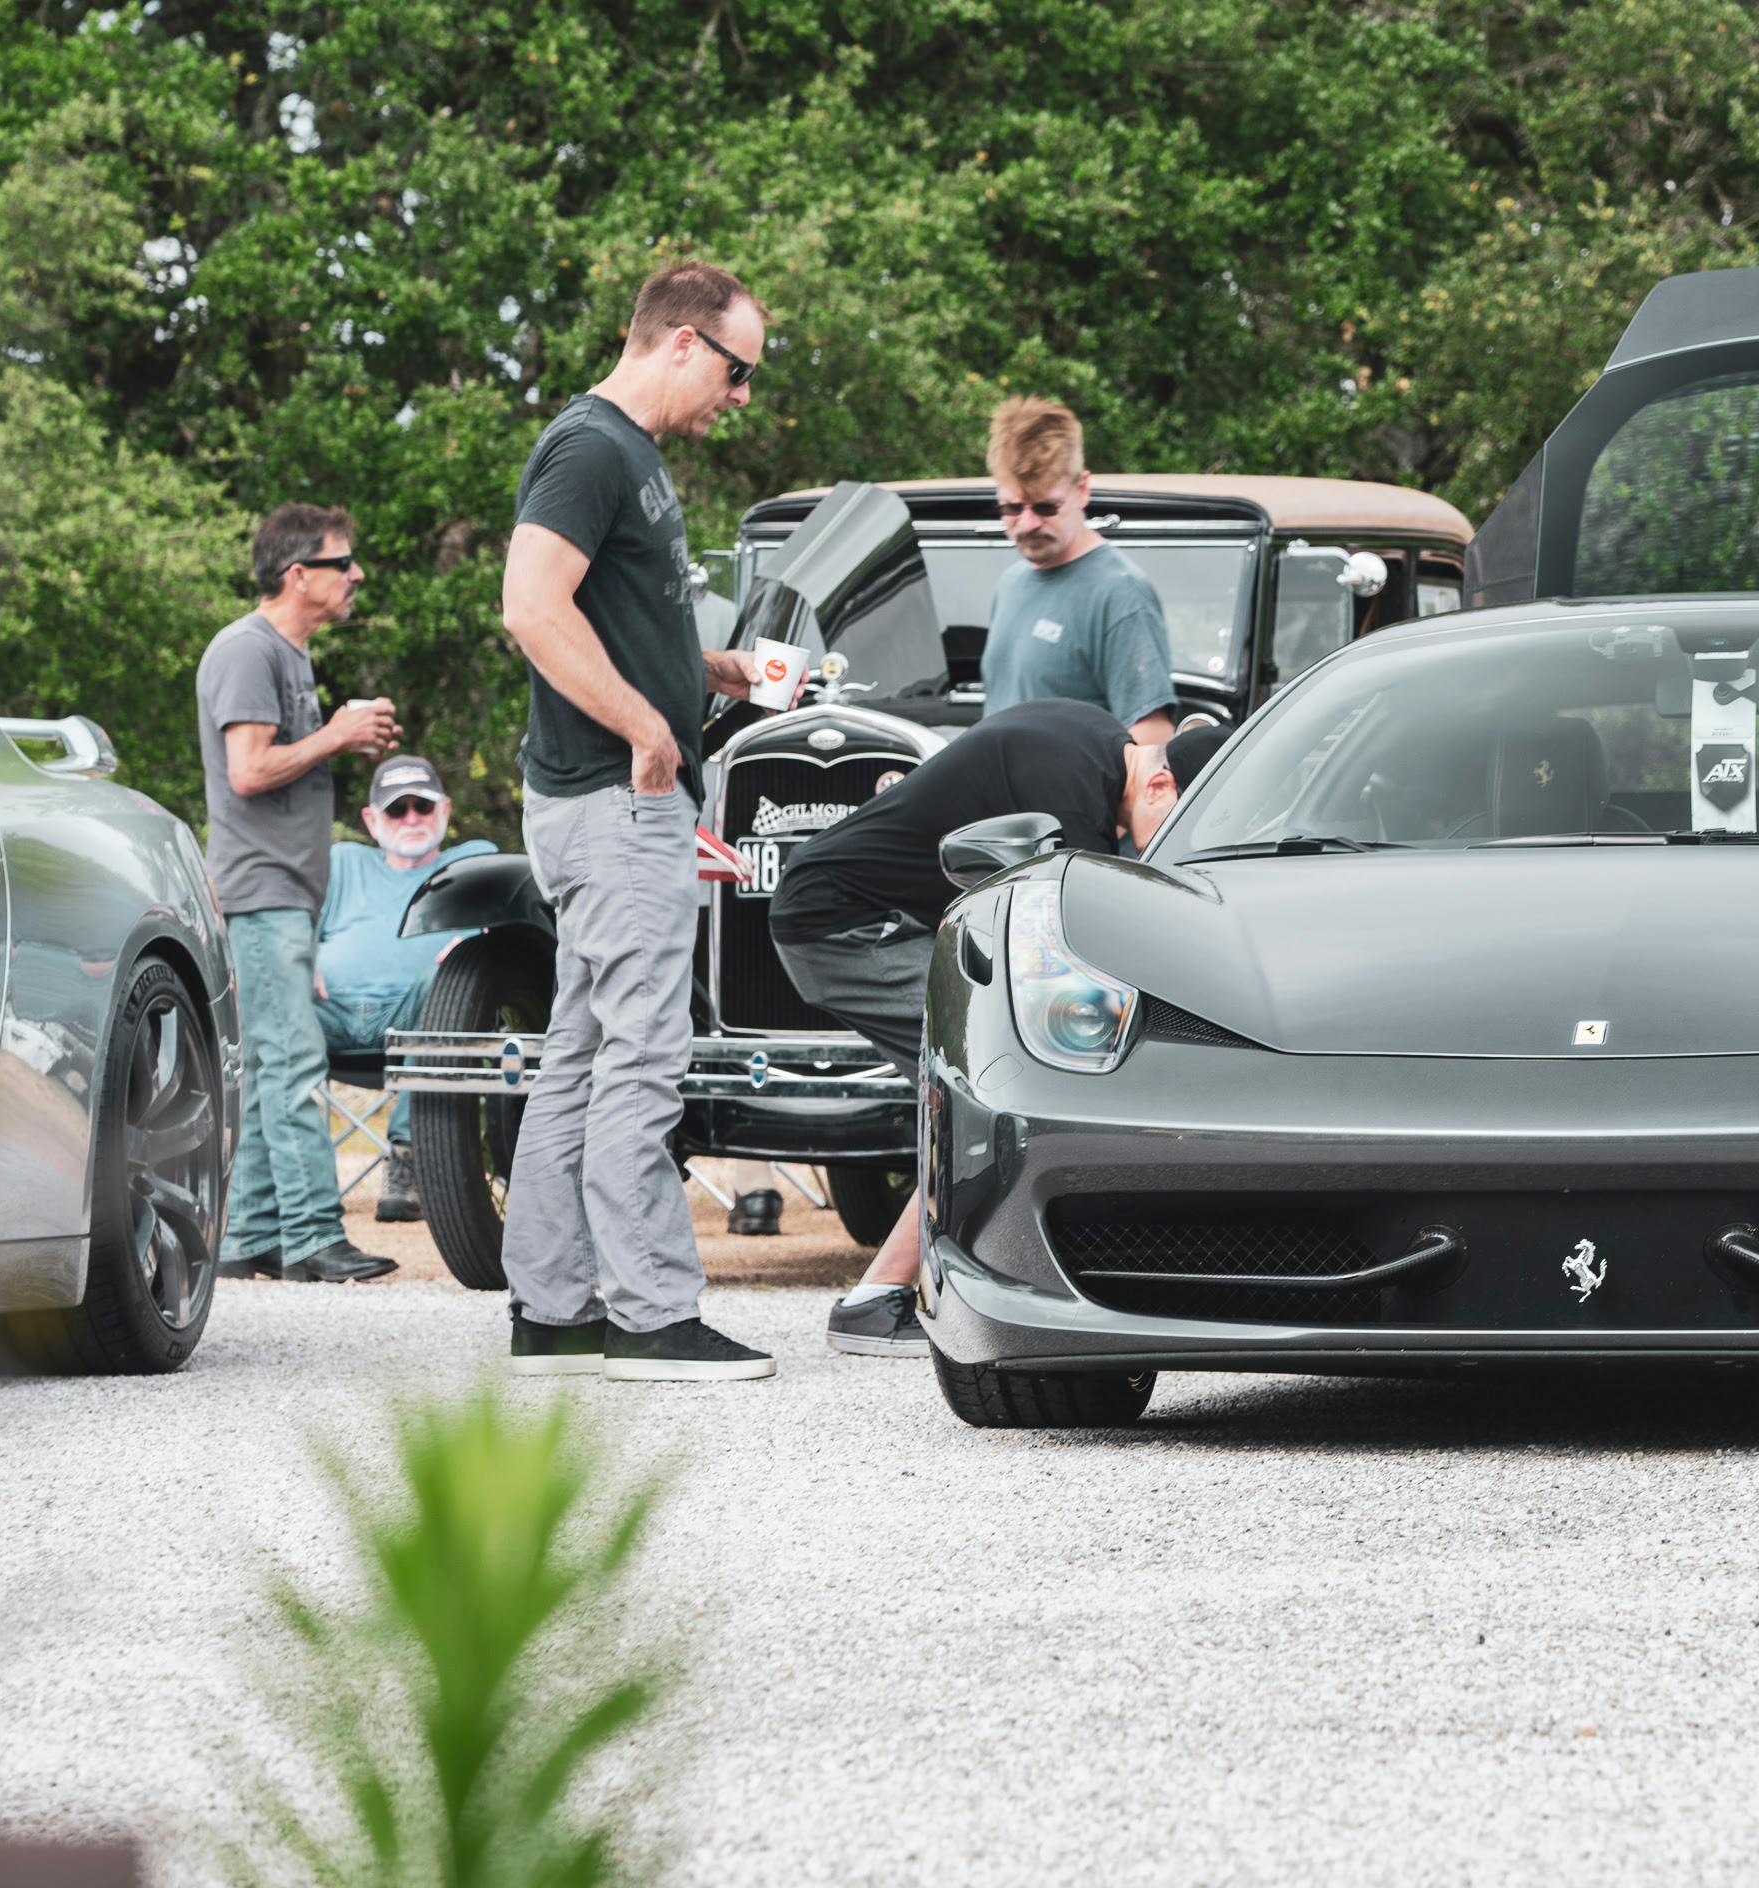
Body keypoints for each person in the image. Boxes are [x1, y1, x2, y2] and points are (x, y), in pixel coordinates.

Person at [496, 258, 772, 1383]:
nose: (740, 397)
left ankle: (552, 1309)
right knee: (645, 1051)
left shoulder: (628, 456)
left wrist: (705, 670)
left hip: (605, 800)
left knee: (584, 1049)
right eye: (738, 371)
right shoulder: (591, 445)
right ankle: (653, 1313)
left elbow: (603, 613)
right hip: (621, 801)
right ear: (682, 342)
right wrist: (647, 730)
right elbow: (529, 603)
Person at [768, 701, 1229, 1354]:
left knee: (968, 1086)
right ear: (1158, 785)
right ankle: (879, 1300)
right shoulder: (1066, 815)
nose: (1164, 854)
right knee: (975, 1087)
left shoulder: (1096, 738)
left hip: (864, 911)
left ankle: (885, 1292)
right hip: (843, 923)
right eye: (1176, 829)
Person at [197, 504, 402, 1285]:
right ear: (297, 575)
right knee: (292, 1061)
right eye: (341, 563)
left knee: (265, 1065)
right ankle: (316, 1235)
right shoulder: (248, 652)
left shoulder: (288, 654)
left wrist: (340, 739)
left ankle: (248, 1237)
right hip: (261, 888)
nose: (355, 577)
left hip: (282, 889)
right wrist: (339, 736)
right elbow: (249, 770)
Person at [313, 755, 498, 1223]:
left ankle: (407, 1158)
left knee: (442, 982)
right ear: (372, 821)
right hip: (325, 1014)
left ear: (446, 810)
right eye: (397, 810)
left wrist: (470, 945)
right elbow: (297, 928)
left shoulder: (473, 860)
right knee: (272, 994)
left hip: (422, 1018)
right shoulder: (343, 862)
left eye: (423, 805)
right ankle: (292, 1178)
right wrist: (300, 958)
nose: (412, 818)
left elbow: (500, 930)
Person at [978, 396, 1178, 744]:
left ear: (1082, 489)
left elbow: (1152, 742)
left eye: (1045, 506)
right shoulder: (1010, 584)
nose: (1027, 523)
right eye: (1011, 507)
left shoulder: (1120, 594)